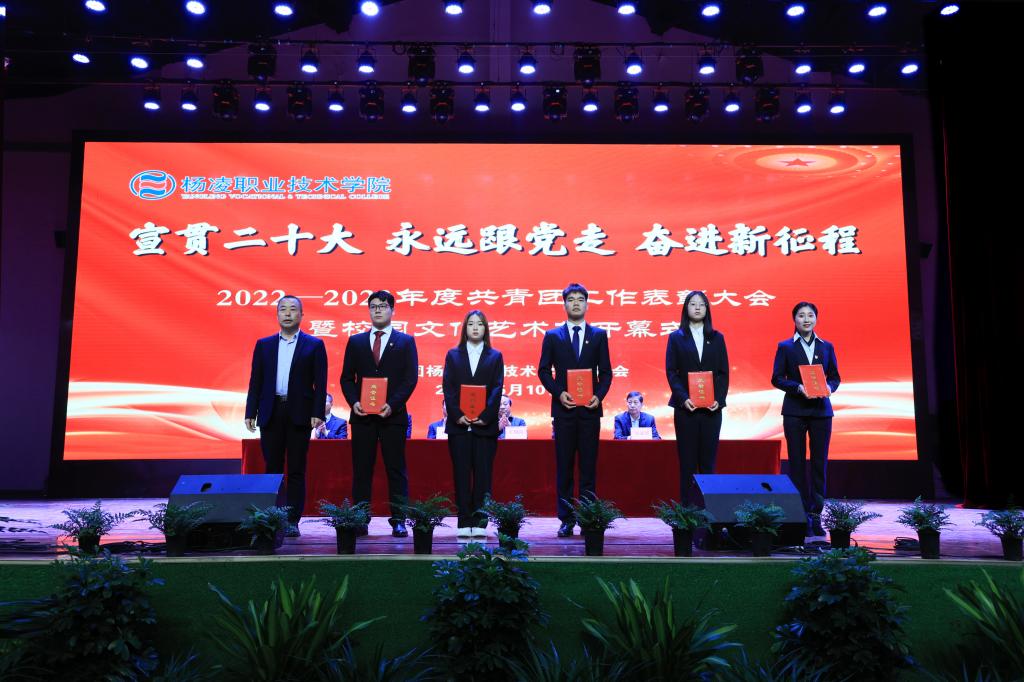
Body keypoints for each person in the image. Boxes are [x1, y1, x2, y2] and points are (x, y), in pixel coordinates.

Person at [244, 295, 328, 535]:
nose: (288, 313)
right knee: (272, 468)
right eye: (283, 309)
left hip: (300, 413)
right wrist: (250, 411)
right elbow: (256, 381)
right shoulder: (264, 345)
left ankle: (292, 520)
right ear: (277, 314)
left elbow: (320, 383)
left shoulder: (314, 345)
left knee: (297, 469)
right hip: (271, 411)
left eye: (293, 309)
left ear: (301, 315)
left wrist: (318, 413)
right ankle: (273, 518)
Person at [340, 290, 419, 537]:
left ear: (392, 310)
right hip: (362, 417)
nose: (378, 310)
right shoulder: (356, 341)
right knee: (362, 469)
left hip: (392, 417)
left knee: (396, 469)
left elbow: (410, 379)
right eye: (373, 306)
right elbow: (346, 378)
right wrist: (354, 402)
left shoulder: (405, 341)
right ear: (369, 310)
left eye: (383, 306)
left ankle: (399, 520)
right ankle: (360, 519)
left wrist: (392, 404)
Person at [538, 283, 613, 537]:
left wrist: (598, 396)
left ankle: (589, 518)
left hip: (590, 412)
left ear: (587, 304)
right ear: (564, 304)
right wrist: (559, 393)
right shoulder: (552, 336)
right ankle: (567, 519)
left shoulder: (599, 335)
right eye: (571, 299)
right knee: (565, 468)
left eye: (581, 299)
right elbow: (543, 371)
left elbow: (606, 373)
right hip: (564, 412)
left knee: (589, 468)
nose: (576, 303)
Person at [771, 301, 841, 538]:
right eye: (801, 315)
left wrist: (829, 388)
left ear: (816, 319)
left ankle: (816, 515)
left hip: (821, 411)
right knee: (797, 464)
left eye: (810, 315)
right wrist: (797, 387)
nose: (806, 319)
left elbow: (835, 377)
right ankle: (800, 516)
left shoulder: (827, 346)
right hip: (795, 411)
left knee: (819, 464)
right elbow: (777, 378)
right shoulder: (785, 346)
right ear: (794, 320)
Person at [442, 310, 505, 538]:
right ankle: (463, 520)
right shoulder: (453, 355)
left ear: (485, 328)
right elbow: (448, 387)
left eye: (480, 324)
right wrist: (457, 414)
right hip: (459, 426)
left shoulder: (495, 356)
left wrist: (486, 416)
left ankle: (480, 521)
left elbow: (497, 388)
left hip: (484, 426)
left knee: (483, 476)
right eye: (471, 324)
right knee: (460, 475)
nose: (475, 327)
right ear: (465, 328)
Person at [666, 290, 729, 504]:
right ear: (686, 308)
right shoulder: (676, 337)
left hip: (712, 411)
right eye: (693, 304)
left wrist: (718, 399)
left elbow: (723, 373)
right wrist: (684, 398)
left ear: (707, 309)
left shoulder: (717, 338)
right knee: (687, 464)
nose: (697, 308)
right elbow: (672, 372)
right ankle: (687, 512)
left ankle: (708, 511)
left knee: (708, 463)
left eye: (702, 304)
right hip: (686, 410)